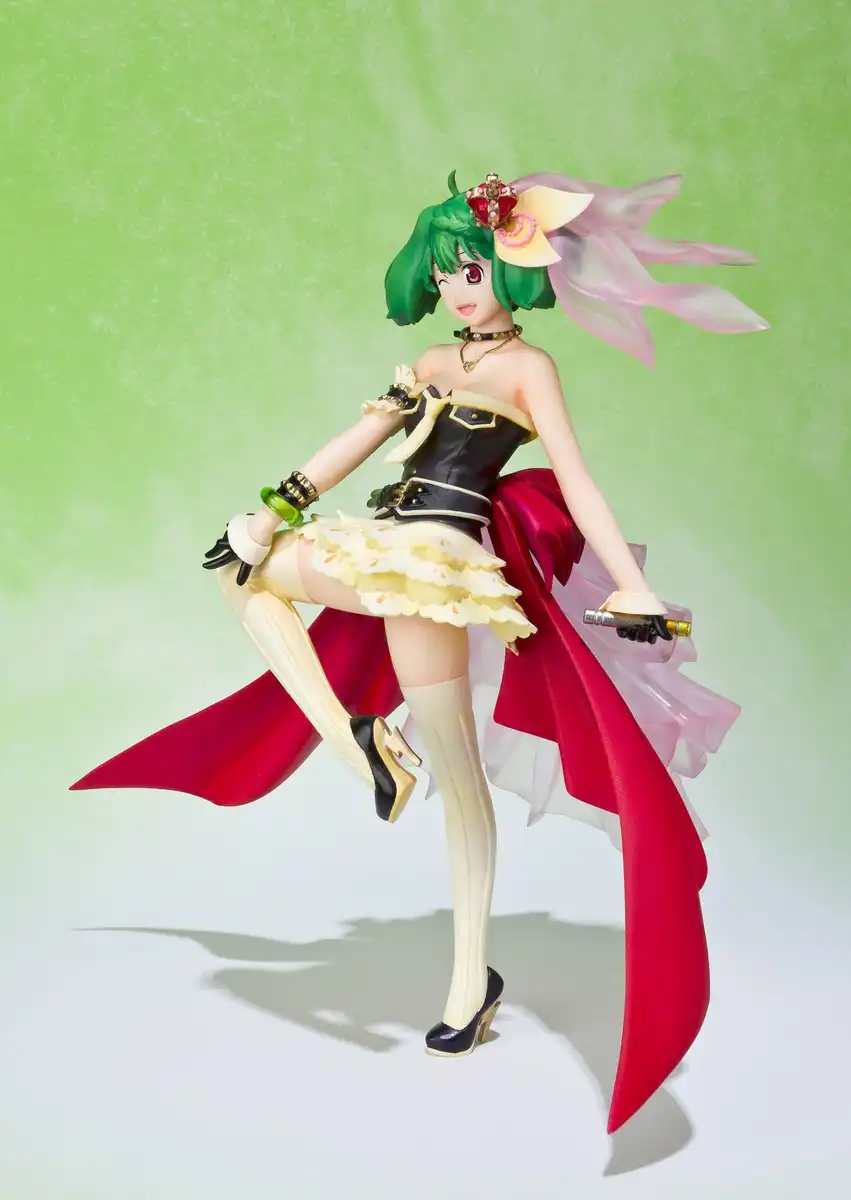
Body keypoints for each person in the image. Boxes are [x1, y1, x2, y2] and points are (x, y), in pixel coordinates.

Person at [72, 169, 767, 1131]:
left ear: (510, 270)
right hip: (385, 542)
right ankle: (355, 737)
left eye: (471, 269)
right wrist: (269, 510)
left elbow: (578, 480)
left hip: (441, 560)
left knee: (458, 777)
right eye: (443, 274)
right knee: (243, 573)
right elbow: (355, 442)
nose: (455, 288)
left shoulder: (529, 371)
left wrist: (633, 585)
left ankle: (467, 978)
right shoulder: (433, 362)